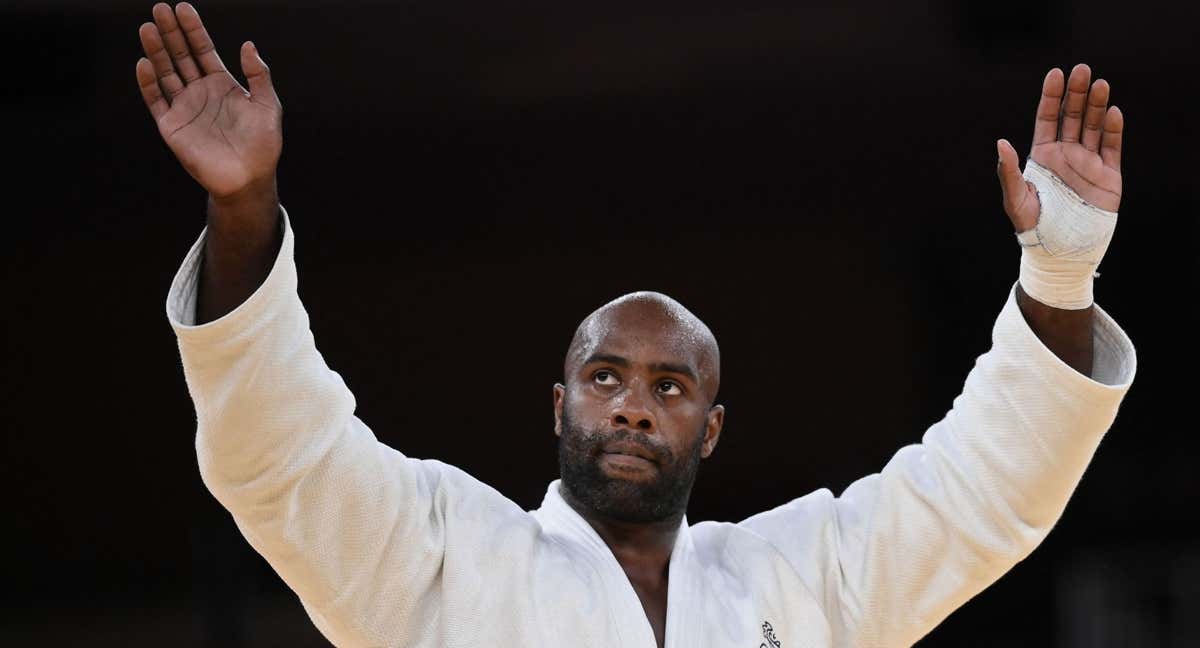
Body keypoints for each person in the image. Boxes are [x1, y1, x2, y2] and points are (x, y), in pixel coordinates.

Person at [138, 3, 1136, 646]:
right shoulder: (447, 563)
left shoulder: (797, 582)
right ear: (559, 405)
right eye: (605, 378)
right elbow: (279, 462)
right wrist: (243, 209)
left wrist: (1060, 267)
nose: (632, 406)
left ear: (710, 429)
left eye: (669, 388)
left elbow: (980, 499)